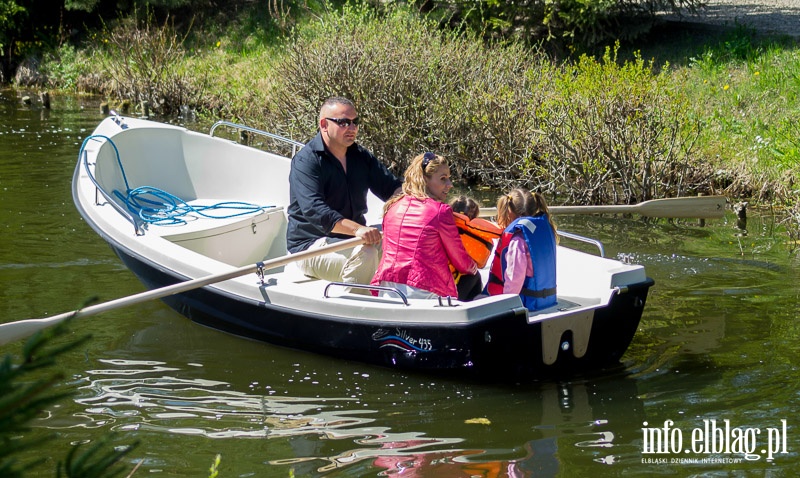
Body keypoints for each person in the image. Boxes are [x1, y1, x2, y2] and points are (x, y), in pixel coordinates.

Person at [287, 97, 402, 285]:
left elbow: (391, 187)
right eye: (343, 122)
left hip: (356, 239)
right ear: (324, 125)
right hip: (311, 246)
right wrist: (358, 229)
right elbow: (316, 212)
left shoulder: (360, 156)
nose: (352, 128)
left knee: (407, 240)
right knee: (367, 255)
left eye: (355, 122)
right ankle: (361, 309)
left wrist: (413, 209)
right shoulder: (306, 162)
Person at [371, 152, 478, 299]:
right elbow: (461, 261)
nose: (450, 184)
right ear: (425, 180)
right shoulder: (441, 211)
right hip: (423, 291)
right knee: (473, 277)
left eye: (449, 178)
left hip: (387, 290)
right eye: (443, 179)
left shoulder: (392, 207)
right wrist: (475, 267)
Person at [484, 188, 558, 311]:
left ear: (508, 211)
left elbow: (514, 279)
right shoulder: (542, 231)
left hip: (527, 305)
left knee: (477, 299)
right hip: (547, 301)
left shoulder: (517, 240)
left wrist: (506, 306)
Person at [448, 195, 502, 301]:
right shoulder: (475, 235)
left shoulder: (444, 228)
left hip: (442, 282)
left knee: (473, 275)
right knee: (474, 275)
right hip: (454, 288)